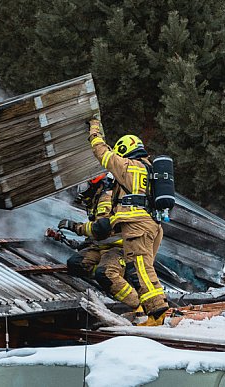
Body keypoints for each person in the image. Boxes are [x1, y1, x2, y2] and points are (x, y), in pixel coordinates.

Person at [87, 119, 169, 326]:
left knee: (141, 270)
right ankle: (154, 312)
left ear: (124, 150)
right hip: (150, 224)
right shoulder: (148, 168)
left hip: (137, 226)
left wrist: (94, 130)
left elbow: (102, 153)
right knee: (143, 269)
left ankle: (157, 314)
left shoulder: (128, 167)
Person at [57, 174, 139, 311]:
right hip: (102, 246)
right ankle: (112, 276)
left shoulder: (106, 198)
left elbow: (101, 229)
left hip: (119, 247)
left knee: (105, 273)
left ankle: (137, 304)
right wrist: (84, 244)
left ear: (97, 184)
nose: (82, 190)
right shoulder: (96, 198)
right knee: (75, 263)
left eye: (84, 186)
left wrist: (75, 227)